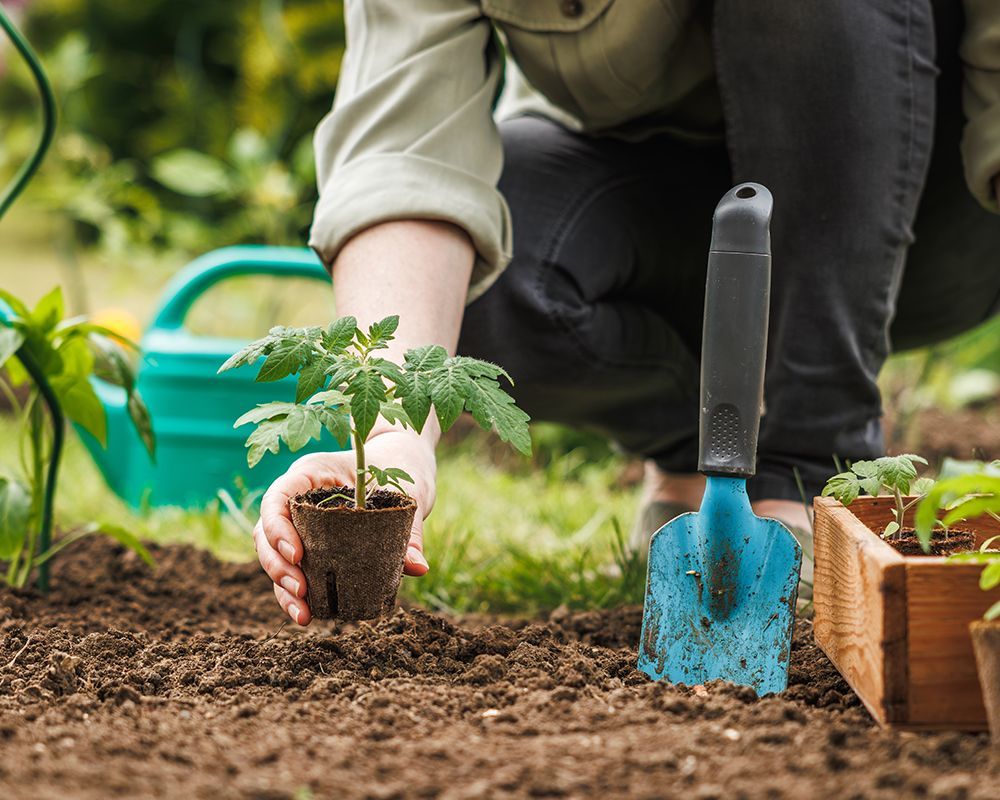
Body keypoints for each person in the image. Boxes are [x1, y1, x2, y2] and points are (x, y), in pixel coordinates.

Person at [254, 0, 1000, 626]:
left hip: (912, 209)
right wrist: (392, 441)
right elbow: (404, 150)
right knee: (497, 280)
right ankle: (704, 451)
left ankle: (810, 463)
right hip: (649, 193)